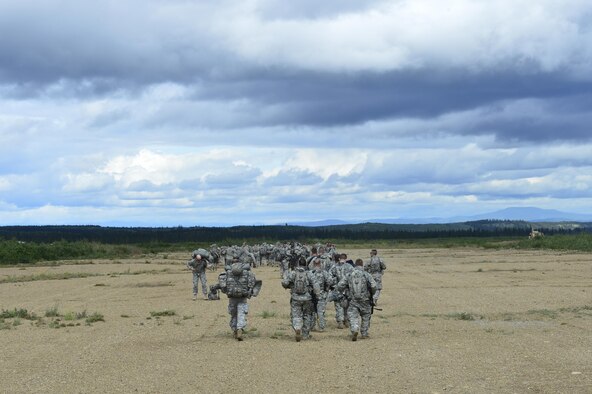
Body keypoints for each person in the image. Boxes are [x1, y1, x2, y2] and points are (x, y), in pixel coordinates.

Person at [281, 259, 321, 341]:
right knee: (307, 315)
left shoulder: (293, 273)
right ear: (306, 264)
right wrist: (317, 295)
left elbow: (284, 282)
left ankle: (297, 328)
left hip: (295, 298)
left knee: (296, 315)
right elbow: (316, 285)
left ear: (298, 264)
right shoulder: (309, 274)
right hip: (307, 298)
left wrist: (288, 286)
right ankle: (305, 335)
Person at [337, 258, 377, 341]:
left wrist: (344, 292)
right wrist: (371, 294)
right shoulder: (366, 274)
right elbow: (374, 286)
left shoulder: (349, 274)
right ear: (362, 265)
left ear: (355, 265)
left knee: (352, 315)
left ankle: (355, 329)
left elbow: (340, 285)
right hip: (365, 300)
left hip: (353, 300)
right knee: (366, 316)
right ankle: (364, 333)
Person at [219, 260, 259, 341]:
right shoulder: (247, 273)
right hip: (243, 297)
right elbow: (253, 284)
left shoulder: (227, 273)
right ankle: (240, 328)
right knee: (241, 313)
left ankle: (234, 330)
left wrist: (226, 291)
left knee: (233, 314)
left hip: (232, 297)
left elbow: (223, 287)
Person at [328, 253, 354, 329]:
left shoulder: (334, 267)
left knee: (339, 306)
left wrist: (333, 285)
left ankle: (340, 322)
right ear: (346, 259)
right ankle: (346, 321)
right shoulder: (350, 267)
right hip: (347, 290)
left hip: (337, 290)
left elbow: (329, 278)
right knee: (347, 306)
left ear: (339, 258)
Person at [309, 257, 334, 332]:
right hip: (322, 294)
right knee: (321, 312)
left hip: (312, 295)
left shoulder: (310, 273)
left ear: (313, 264)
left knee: (312, 311)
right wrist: (327, 288)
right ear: (320, 264)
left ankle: (312, 326)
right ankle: (321, 327)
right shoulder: (324, 273)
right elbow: (330, 281)